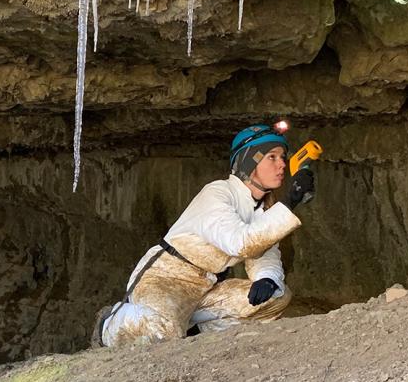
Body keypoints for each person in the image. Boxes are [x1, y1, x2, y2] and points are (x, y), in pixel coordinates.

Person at [94, 121, 316, 347]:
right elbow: (241, 243)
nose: (282, 165)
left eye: (283, 158)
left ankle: (196, 333)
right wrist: (290, 202)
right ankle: (111, 324)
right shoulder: (218, 193)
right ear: (250, 161)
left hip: (206, 287)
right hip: (164, 279)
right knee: (163, 335)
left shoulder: (264, 207)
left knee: (277, 296)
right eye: (272, 157)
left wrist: (267, 278)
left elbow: (264, 252)